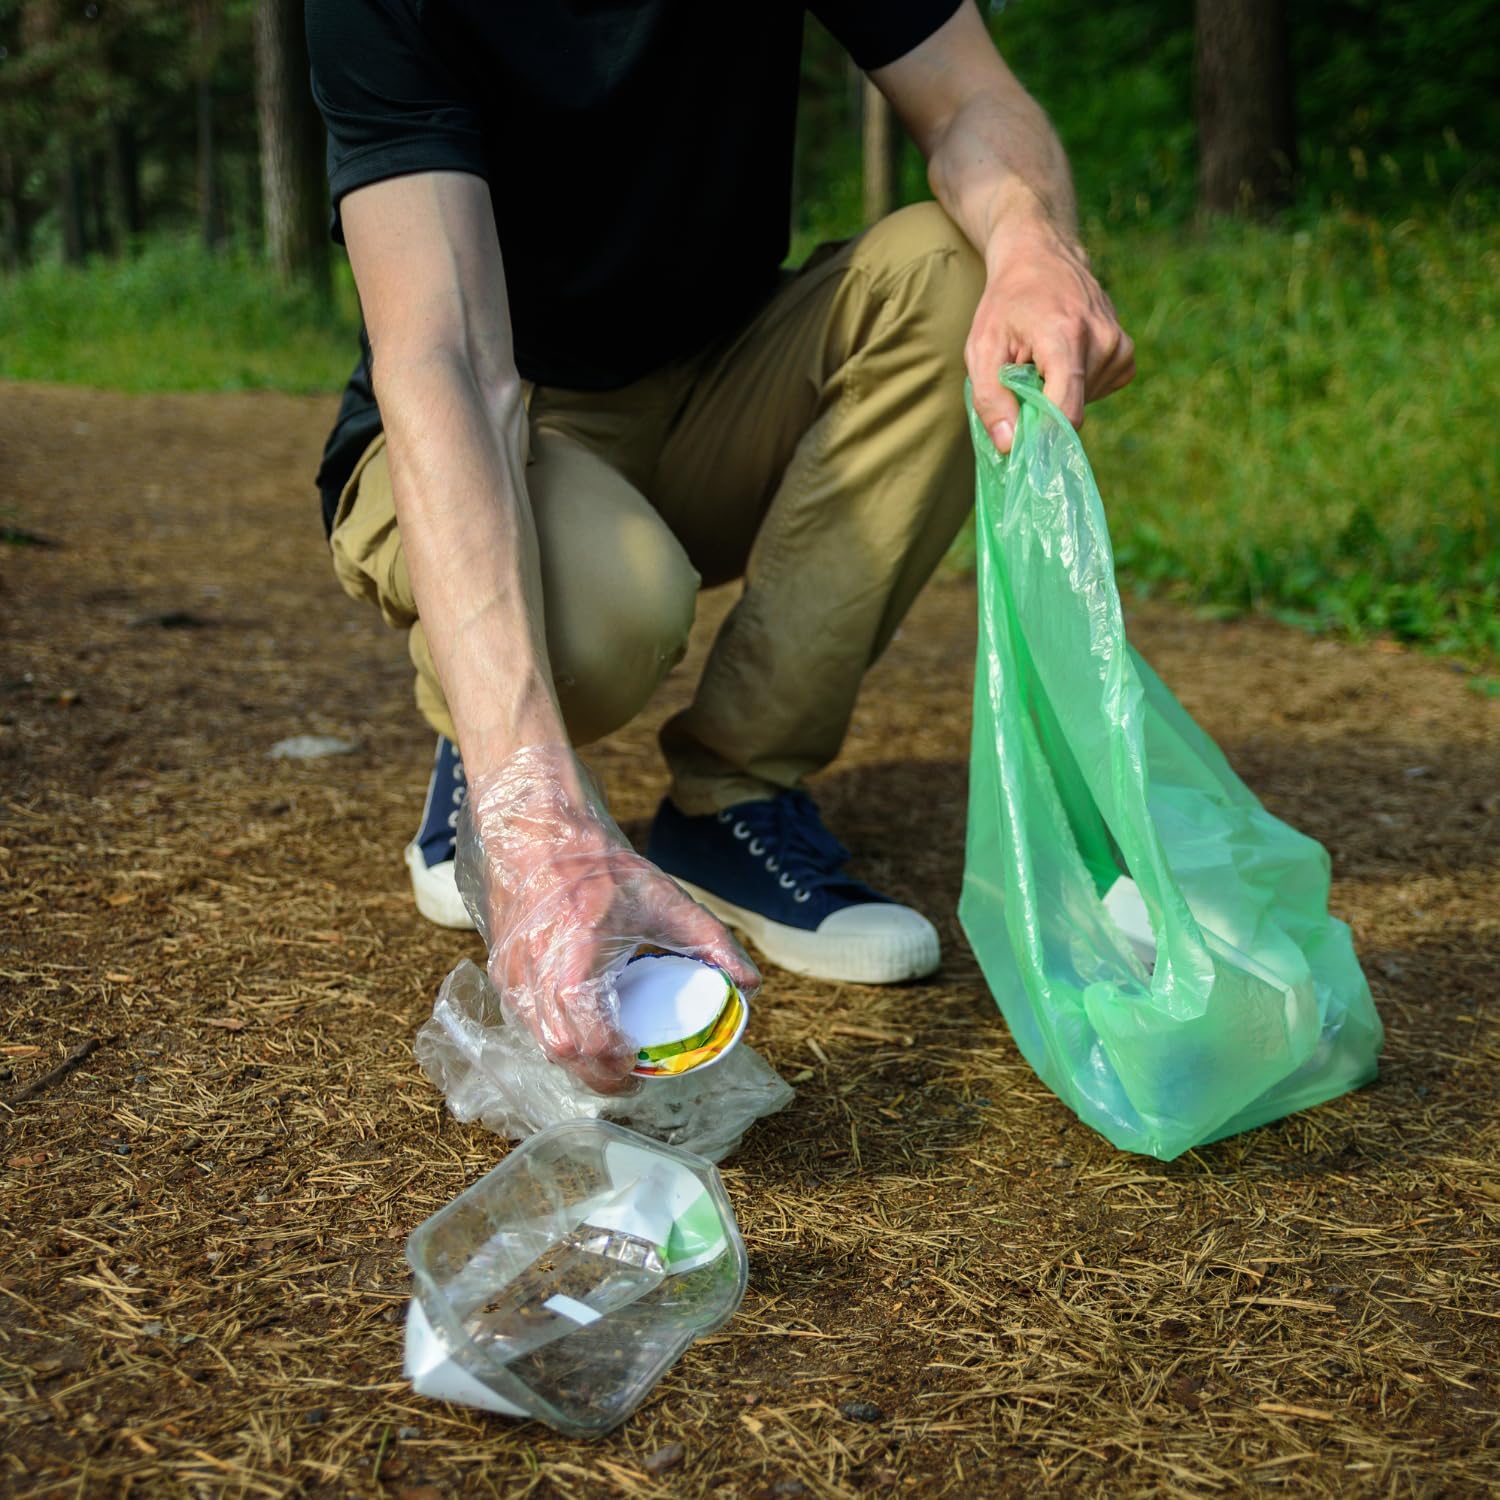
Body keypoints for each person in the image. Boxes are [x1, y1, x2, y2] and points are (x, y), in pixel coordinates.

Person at [307, 0, 1134, 1092]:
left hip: (721, 380)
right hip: (504, 417)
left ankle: (732, 798)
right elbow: (452, 361)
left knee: (959, 265)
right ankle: (497, 753)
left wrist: (1034, 241)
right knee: (607, 616)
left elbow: (976, 96)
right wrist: (532, 813)